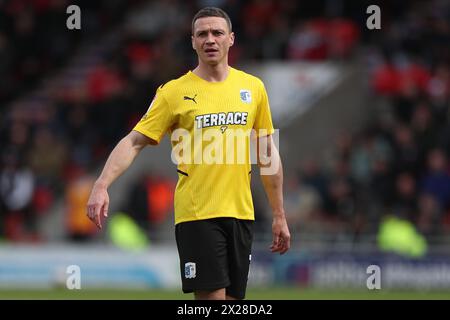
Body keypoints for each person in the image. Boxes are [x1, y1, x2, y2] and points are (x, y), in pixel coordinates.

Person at [86, 7, 291, 300]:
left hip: (241, 215)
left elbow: (268, 154)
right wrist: (101, 184)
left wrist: (279, 215)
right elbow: (134, 141)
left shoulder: (253, 88)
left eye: (217, 32)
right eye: (202, 34)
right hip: (198, 216)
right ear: (193, 41)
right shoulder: (173, 92)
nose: (210, 39)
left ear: (231, 39)